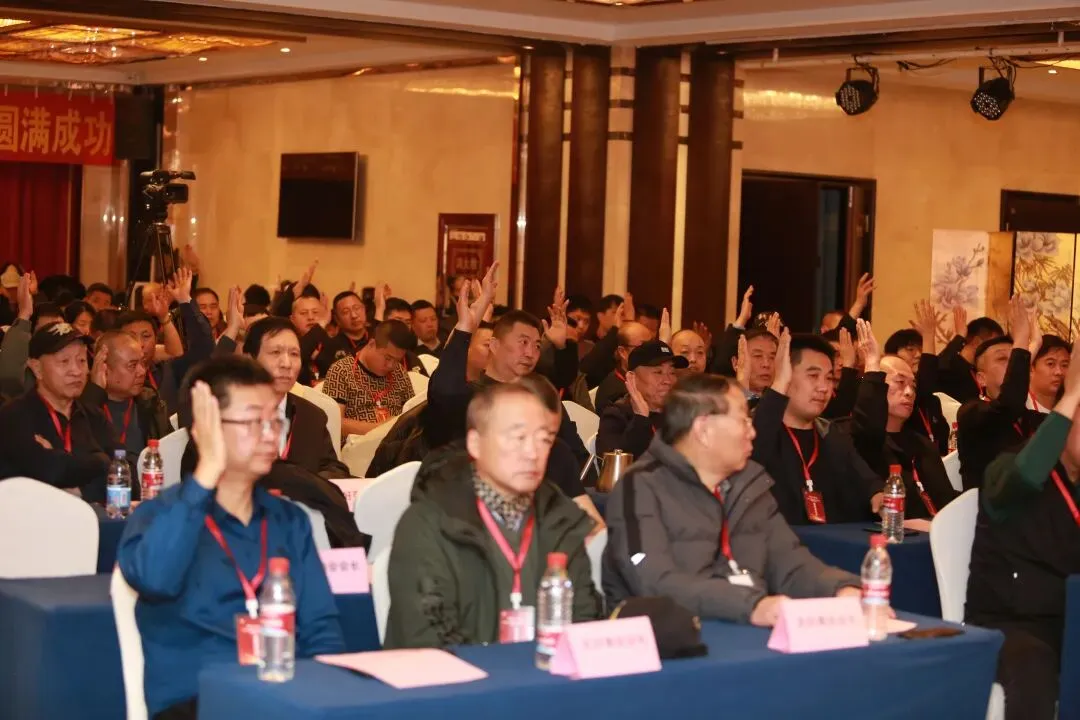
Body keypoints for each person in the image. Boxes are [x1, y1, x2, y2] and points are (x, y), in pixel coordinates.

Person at [117, 356, 345, 719]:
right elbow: (154, 579)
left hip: (283, 696)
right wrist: (208, 470)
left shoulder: (290, 520)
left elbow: (322, 628)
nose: (271, 434)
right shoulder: (160, 516)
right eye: (254, 421)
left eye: (275, 420)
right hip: (196, 703)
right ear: (206, 429)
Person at [603, 373, 861, 624]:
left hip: (745, 624)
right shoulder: (640, 487)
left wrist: (841, 589)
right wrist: (751, 605)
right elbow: (653, 580)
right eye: (743, 421)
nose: (752, 432)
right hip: (668, 635)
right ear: (704, 430)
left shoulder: (749, 484)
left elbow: (790, 563)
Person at [384, 381, 603, 648]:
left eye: (544, 440)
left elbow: (583, 622)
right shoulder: (427, 524)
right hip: (454, 671)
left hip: (545, 669)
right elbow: (428, 639)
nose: (533, 453)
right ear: (475, 444)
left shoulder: (560, 520)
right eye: (518, 437)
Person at [965, 339, 1080, 720]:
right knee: (1034, 668)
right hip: (1007, 624)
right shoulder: (1009, 467)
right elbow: (1027, 476)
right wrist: (1072, 391)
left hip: (1068, 620)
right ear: (1062, 422)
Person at [751, 330, 881, 525]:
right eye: (813, 376)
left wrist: (879, 495)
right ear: (785, 376)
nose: (824, 387)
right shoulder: (757, 431)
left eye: (829, 378)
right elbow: (752, 460)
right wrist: (778, 386)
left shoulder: (831, 435)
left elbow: (867, 481)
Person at [840, 321, 958, 519]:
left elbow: (946, 500)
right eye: (900, 382)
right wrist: (872, 363)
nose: (909, 392)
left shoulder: (923, 445)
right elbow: (869, 427)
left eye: (913, 385)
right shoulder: (857, 439)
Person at [0, 322, 112, 501]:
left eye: (82, 361)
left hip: (93, 517)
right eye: (64, 361)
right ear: (37, 369)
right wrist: (101, 461)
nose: (76, 371)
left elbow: (126, 477)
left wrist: (78, 491)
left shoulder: (94, 416)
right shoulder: (13, 416)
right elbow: (48, 470)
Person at [957, 299, 1044, 491]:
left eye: (1013, 358)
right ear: (981, 378)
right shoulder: (971, 412)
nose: (1012, 364)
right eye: (1002, 358)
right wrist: (1021, 341)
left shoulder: (1030, 418)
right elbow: (1008, 406)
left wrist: (1035, 343)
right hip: (993, 505)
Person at [117, 268, 215, 415]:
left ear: (156, 340)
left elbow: (202, 348)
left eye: (146, 336)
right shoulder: (109, 375)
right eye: (131, 336)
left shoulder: (169, 371)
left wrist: (184, 301)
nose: (139, 343)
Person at [82, 330, 170, 470]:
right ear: (104, 369)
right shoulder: (84, 406)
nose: (142, 372)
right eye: (132, 365)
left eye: (143, 363)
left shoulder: (150, 403)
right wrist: (94, 393)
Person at [323, 319, 415, 436]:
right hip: (357, 443)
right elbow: (334, 422)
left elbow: (413, 414)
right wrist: (383, 429)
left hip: (396, 443)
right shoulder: (341, 370)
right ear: (372, 344)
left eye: (397, 360)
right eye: (388, 358)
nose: (391, 365)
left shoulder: (399, 372)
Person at [596, 341, 686, 460]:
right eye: (658, 372)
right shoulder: (616, 415)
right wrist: (640, 419)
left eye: (672, 373)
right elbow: (614, 464)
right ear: (632, 378)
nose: (667, 381)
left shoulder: (680, 413)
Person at [939, 309, 1005, 404]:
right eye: (992, 345)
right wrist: (959, 337)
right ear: (977, 342)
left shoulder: (978, 371)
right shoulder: (952, 366)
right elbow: (939, 367)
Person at [591, 322, 651, 414]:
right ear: (622, 352)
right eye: (643, 347)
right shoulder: (614, 392)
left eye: (651, 346)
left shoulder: (644, 378)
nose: (650, 353)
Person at [1028, 335, 1070, 414]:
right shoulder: (1019, 404)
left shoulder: (1072, 409)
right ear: (1031, 368)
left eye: (1064, 365)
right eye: (1050, 364)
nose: (1059, 372)